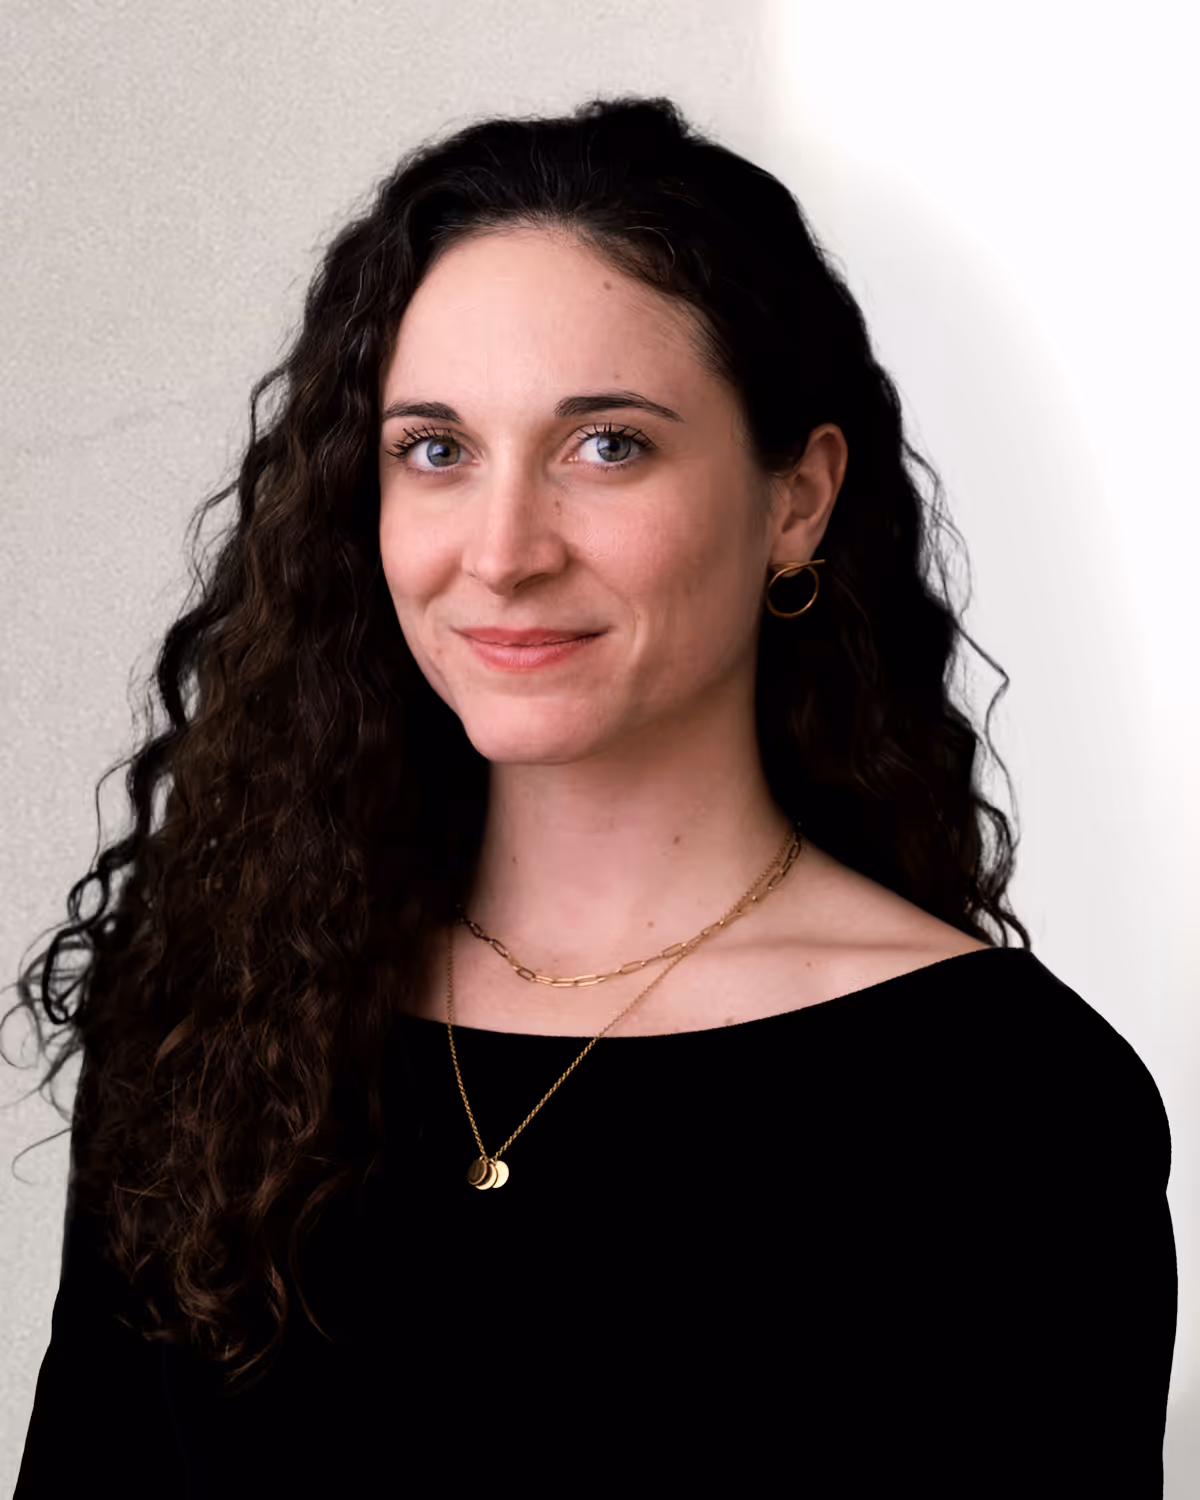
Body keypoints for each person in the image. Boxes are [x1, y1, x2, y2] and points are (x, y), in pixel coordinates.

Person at [9, 96, 1176, 1495]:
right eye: (435, 449)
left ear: (797, 501)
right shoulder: (220, 1015)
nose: (503, 552)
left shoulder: (1013, 1104)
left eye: (607, 444)